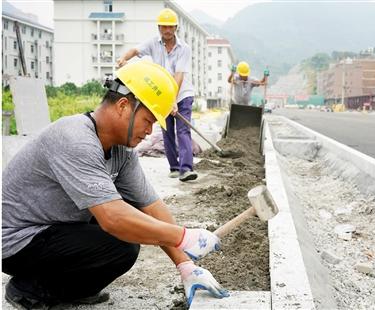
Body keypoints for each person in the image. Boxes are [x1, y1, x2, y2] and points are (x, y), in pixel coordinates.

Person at [2, 61, 229, 309]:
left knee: (131, 213)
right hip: (17, 240)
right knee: (120, 245)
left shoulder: (122, 150)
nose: (149, 130)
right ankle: (28, 289)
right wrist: (183, 237)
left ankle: (68, 288)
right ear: (123, 105)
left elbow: (150, 206)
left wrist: (186, 266)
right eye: (148, 120)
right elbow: (112, 219)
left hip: (54, 225)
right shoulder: (75, 139)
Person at [117, 8, 197, 182]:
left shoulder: (185, 48)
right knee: (167, 129)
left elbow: (179, 75)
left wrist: (173, 100)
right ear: (159, 27)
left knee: (183, 130)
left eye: (170, 27)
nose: (167, 30)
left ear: (176, 27)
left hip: (182, 94)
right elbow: (135, 51)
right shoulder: (153, 43)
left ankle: (186, 169)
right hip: (161, 94)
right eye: (163, 27)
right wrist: (123, 58)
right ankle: (174, 167)